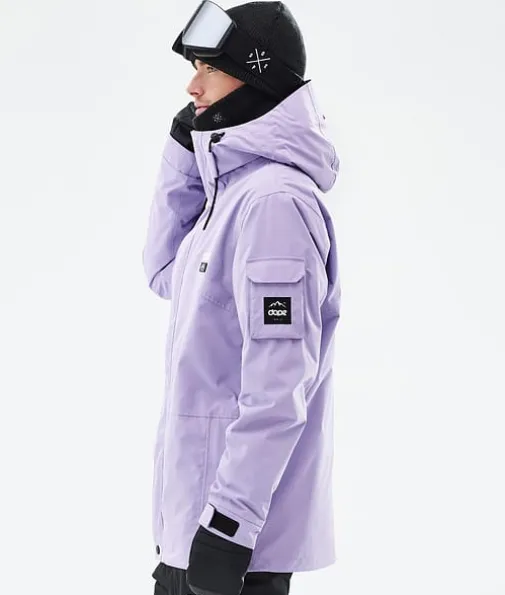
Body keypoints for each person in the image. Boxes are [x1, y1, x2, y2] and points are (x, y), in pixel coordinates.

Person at [142, 2, 341, 594]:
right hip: (191, 530)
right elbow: (163, 271)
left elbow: (280, 385)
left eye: (211, 68)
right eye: (194, 67)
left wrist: (228, 526)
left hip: (235, 547)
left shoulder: (274, 205)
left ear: (256, 78)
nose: (192, 86)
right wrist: (185, 149)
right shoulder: (229, 197)